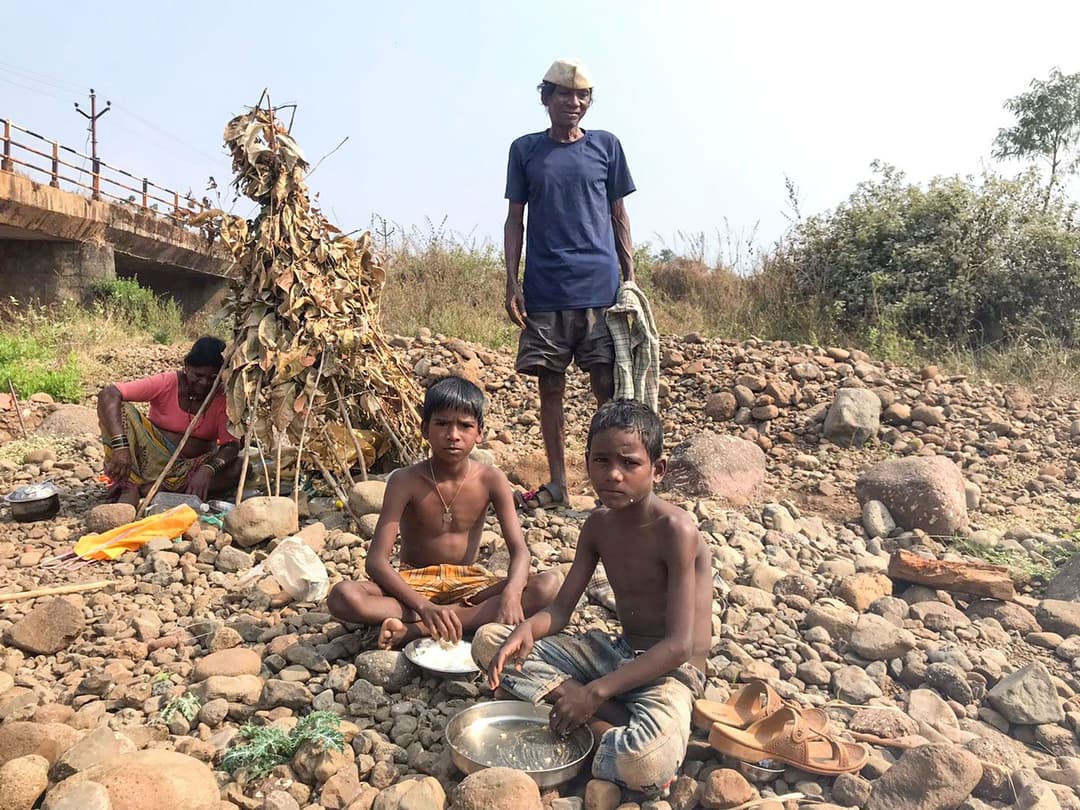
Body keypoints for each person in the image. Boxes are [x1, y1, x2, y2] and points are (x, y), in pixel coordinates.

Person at [473, 400, 713, 794]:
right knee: (491, 641)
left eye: (630, 463)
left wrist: (593, 692)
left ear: (658, 469)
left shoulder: (676, 530)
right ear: (586, 462)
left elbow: (679, 647)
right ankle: (607, 721)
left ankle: (584, 718)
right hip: (616, 654)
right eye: (600, 461)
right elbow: (561, 609)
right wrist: (527, 629)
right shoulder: (598, 526)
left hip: (670, 672)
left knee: (645, 763)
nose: (613, 475)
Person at [327, 376, 562, 650]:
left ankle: (417, 630)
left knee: (548, 587)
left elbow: (520, 550)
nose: (453, 435)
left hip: (469, 583)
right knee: (344, 596)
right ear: (424, 429)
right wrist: (424, 605)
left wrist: (511, 592)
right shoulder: (405, 480)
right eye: (442, 424)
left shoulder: (491, 479)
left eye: (465, 426)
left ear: (479, 433)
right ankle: (446, 620)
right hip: (415, 581)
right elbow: (376, 562)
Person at [504, 57, 636, 510]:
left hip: (600, 287)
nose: (574, 103)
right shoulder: (525, 151)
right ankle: (559, 485)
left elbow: (619, 215)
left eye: (582, 96)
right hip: (545, 289)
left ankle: (609, 487)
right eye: (564, 94)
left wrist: (631, 279)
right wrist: (511, 283)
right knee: (551, 388)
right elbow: (514, 221)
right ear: (546, 98)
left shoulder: (607, 146)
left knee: (605, 388)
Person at [97, 336, 240, 507]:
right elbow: (109, 394)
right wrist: (121, 448)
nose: (204, 382)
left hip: (191, 469)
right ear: (186, 367)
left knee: (237, 467)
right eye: (198, 375)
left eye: (213, 377)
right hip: (148, 462)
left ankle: (156, 489)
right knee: (120, 410)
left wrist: (207, 470)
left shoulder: (223, 397)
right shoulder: (167, 382)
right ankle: (130, 487)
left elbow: (231, 445)